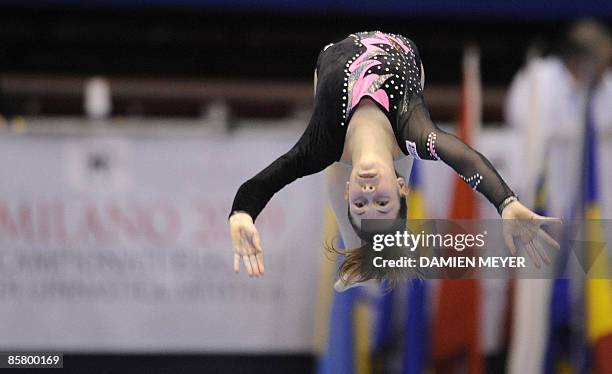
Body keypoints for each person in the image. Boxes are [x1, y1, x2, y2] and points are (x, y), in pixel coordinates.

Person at [229, 30, 560, 289]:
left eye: (360, 204)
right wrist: (507, 203)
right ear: (403, 188)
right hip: (404, 54)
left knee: (333, 167)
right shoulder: (414, 129)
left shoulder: (320, 144)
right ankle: (370, 249)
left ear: (350, 194)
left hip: (331, 60)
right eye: (382, 201)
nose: (369, 190)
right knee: (400, 152)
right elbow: (466, 160)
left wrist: (241, 214)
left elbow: (261, 184)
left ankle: (363, 250)